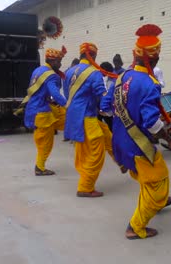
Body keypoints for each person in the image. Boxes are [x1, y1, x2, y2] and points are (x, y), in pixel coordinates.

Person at [101, 24, 171, 239]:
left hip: (120, 142)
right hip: (138, 145)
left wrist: (123, 118)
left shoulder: (120, 78)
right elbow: (152, 122)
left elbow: (105, 108)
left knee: (152, 171)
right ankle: (135, 227)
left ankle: (159, 201)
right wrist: (169, 139)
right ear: (153, 59)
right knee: (159, 179)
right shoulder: (149, 84)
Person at [63, 42, 119, 198]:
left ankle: (120, 161)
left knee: (106, 133)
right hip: (87, 117)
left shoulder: (68, 72)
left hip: (74, 117)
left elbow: (68, 95)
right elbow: (101, 96)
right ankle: (85, 187)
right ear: (93, 55)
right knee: (95, 152)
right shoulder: (94, 73)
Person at [16, 47, 67, 176]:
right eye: (59, 61)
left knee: (43, 139)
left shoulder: (38, 70)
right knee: (46, 142)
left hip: (34, 109)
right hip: (42, 112)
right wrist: (68, 105)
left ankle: (40, 165)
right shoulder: (51, 75)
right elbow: (55, 93)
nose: (60, 64)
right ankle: (39, 167)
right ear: (52, 61)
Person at [97, 61, 115, 131]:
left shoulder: (111, 81)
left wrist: (104, 108)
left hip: (107, 108)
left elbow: (108, 96)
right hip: (100, 107)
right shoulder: (104, 79)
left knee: (111, 126)